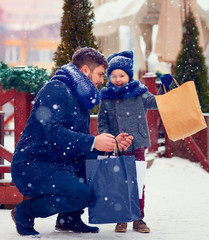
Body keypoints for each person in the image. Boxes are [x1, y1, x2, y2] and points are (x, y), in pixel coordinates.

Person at [10, 47, 133, 237]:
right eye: (100, 74)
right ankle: (25, 212)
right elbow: (54, 133)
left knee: (96, 164)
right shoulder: (56, 90)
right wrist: (94, 142)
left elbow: (79, 144)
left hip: (58, 161)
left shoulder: (80, 96)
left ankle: (69, 218)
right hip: (32, 165)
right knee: (81, 193)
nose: (102, 80)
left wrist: (111, 144)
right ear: (85, 70)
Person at [97, 50, 173, 233]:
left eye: (121, 75)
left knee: (137, 182)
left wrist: (165, 87)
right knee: (120, 181)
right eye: (113, 75)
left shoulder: (139, 93)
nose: (117, 79)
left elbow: (158, 103)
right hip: (118, 146)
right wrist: (109, 139)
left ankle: (138, 218)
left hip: (137, 142)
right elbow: (102, 122)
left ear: (129, 76)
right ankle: (122, 217)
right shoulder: (107, 97)